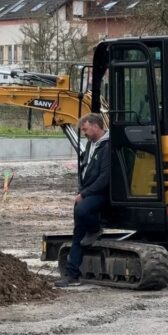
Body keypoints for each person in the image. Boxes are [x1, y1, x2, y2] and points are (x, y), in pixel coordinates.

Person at [56, 112, 111, 288]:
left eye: (86, 129)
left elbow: (105, 178)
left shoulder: (108, 146)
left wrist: (85, 194)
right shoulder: (91, 144)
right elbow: (86, 169)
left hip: (102, 193)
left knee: (82, 211)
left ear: (96, 126)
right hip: (87, 192)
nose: (84, 133)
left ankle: (95, 229)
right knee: (78, 234)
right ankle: (72, 274)